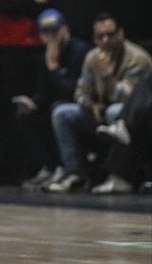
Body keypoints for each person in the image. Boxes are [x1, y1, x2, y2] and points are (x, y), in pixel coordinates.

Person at [46, 12, 151, 192]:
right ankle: (75, 174)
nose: (105, 40)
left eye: (110, 35)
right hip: (98, 112)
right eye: (100, 36)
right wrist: (91, 105)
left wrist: (107, 75)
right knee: (62, 113)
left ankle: (118, 175)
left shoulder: (137, 58)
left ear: (121, 34)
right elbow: (80, 92)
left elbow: (132, 100)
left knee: (114, 111)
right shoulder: (92, 57)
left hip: (129, 116)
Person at [13, 9, 90, 189]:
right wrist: (33, 104)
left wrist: (54, 68)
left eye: (54, 31)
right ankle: (48, 167)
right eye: (45, 32)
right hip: (56, 105)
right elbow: (44, 92)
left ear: (65, 30)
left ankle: (70, 169)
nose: (50, 37)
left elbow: (74, 91)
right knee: (25, 117)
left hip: (79, 105)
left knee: (57, 110)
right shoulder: (46, 55)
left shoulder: (81, 51)